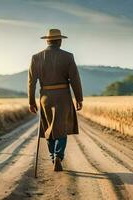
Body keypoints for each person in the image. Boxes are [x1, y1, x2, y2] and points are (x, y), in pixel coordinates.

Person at [28, 29, 83, 171]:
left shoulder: (36, 57)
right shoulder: (68, 57)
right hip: (63, 96)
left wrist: (31, 102)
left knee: (48, 128)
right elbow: (75, 80)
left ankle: (53, 156)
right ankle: (58, 155)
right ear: (59, 41)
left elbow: (31, 82)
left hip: (45, 97)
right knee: (61, 127)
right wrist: (79, 98)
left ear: (47, 40)